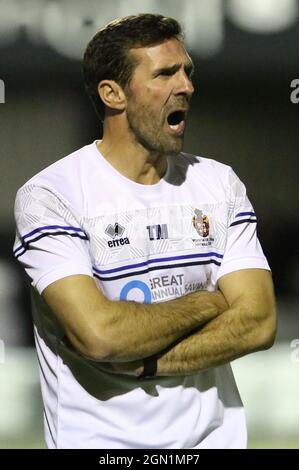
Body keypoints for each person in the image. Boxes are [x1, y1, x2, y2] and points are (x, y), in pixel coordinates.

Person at [13, 14, 276, 449]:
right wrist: (209, 302)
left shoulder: (218, 183)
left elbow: (259, 322)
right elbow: (99, 336)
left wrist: (146, 363)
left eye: (187, 71)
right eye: (166, 73)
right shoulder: (51, 196)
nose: (187, 86)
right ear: (112, 94)